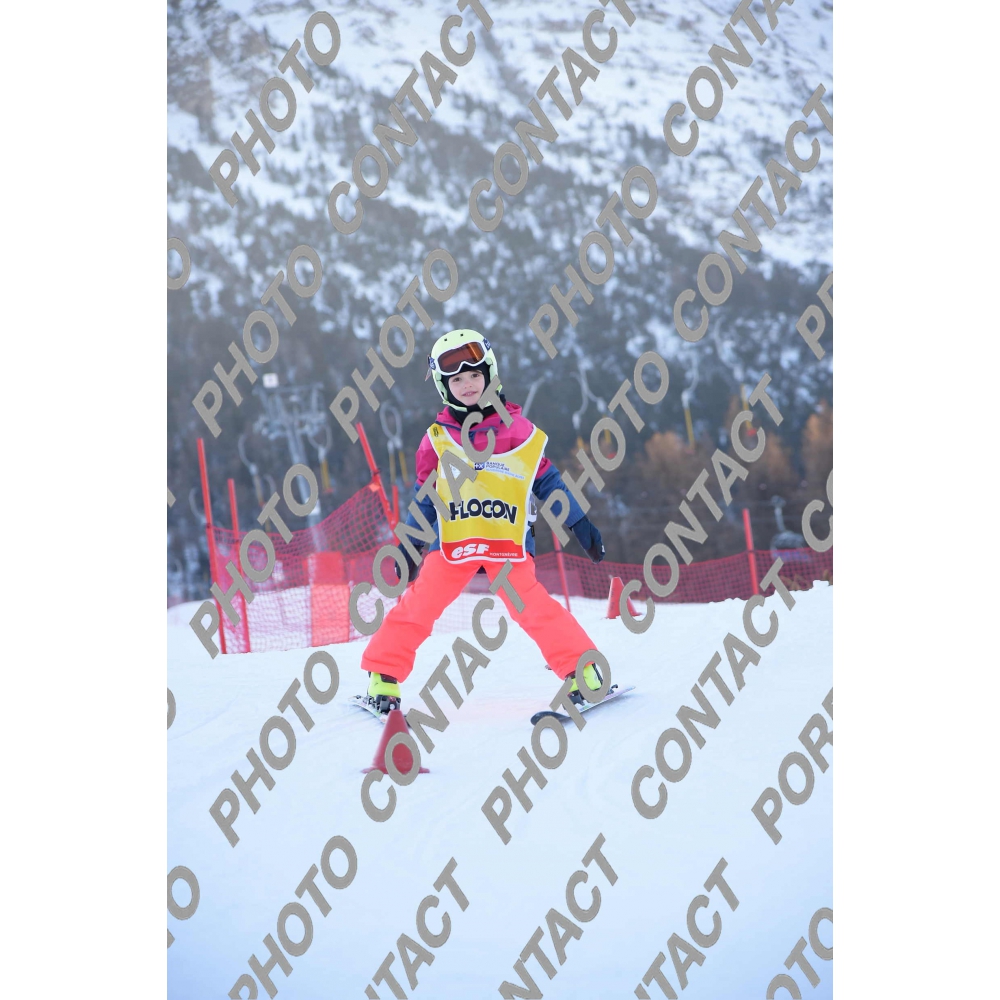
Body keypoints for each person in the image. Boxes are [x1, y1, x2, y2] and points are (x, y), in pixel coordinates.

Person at [361, 328, 609, 713]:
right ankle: (383, 677)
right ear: (444, 387)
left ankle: (585, 672)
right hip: (454, 541)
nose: (467, 385)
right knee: (420, 604)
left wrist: (578, 523)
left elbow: (546, 480)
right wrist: (410, 547)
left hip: (507, 541)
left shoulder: (516, 431)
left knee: (531, 606)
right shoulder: (438, 438)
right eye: (456, 380)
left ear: (490, 374)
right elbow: (425, 498)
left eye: (474, 375)